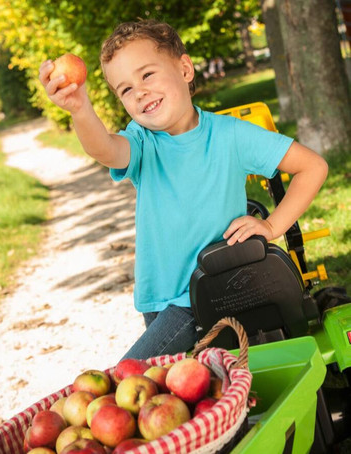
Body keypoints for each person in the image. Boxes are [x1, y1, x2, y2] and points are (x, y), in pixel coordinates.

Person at [39, 20, 328, 360]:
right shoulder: (142, 141)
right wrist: (80, 108)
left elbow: (313, 167)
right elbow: (104, 148)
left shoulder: (230, 135)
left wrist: (270, 226)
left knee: (128, 377)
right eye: (126, 89)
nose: (140, 91)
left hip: (206, 295)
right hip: (158, 300)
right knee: (183, 393)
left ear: (185, 68)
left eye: (147, 75)